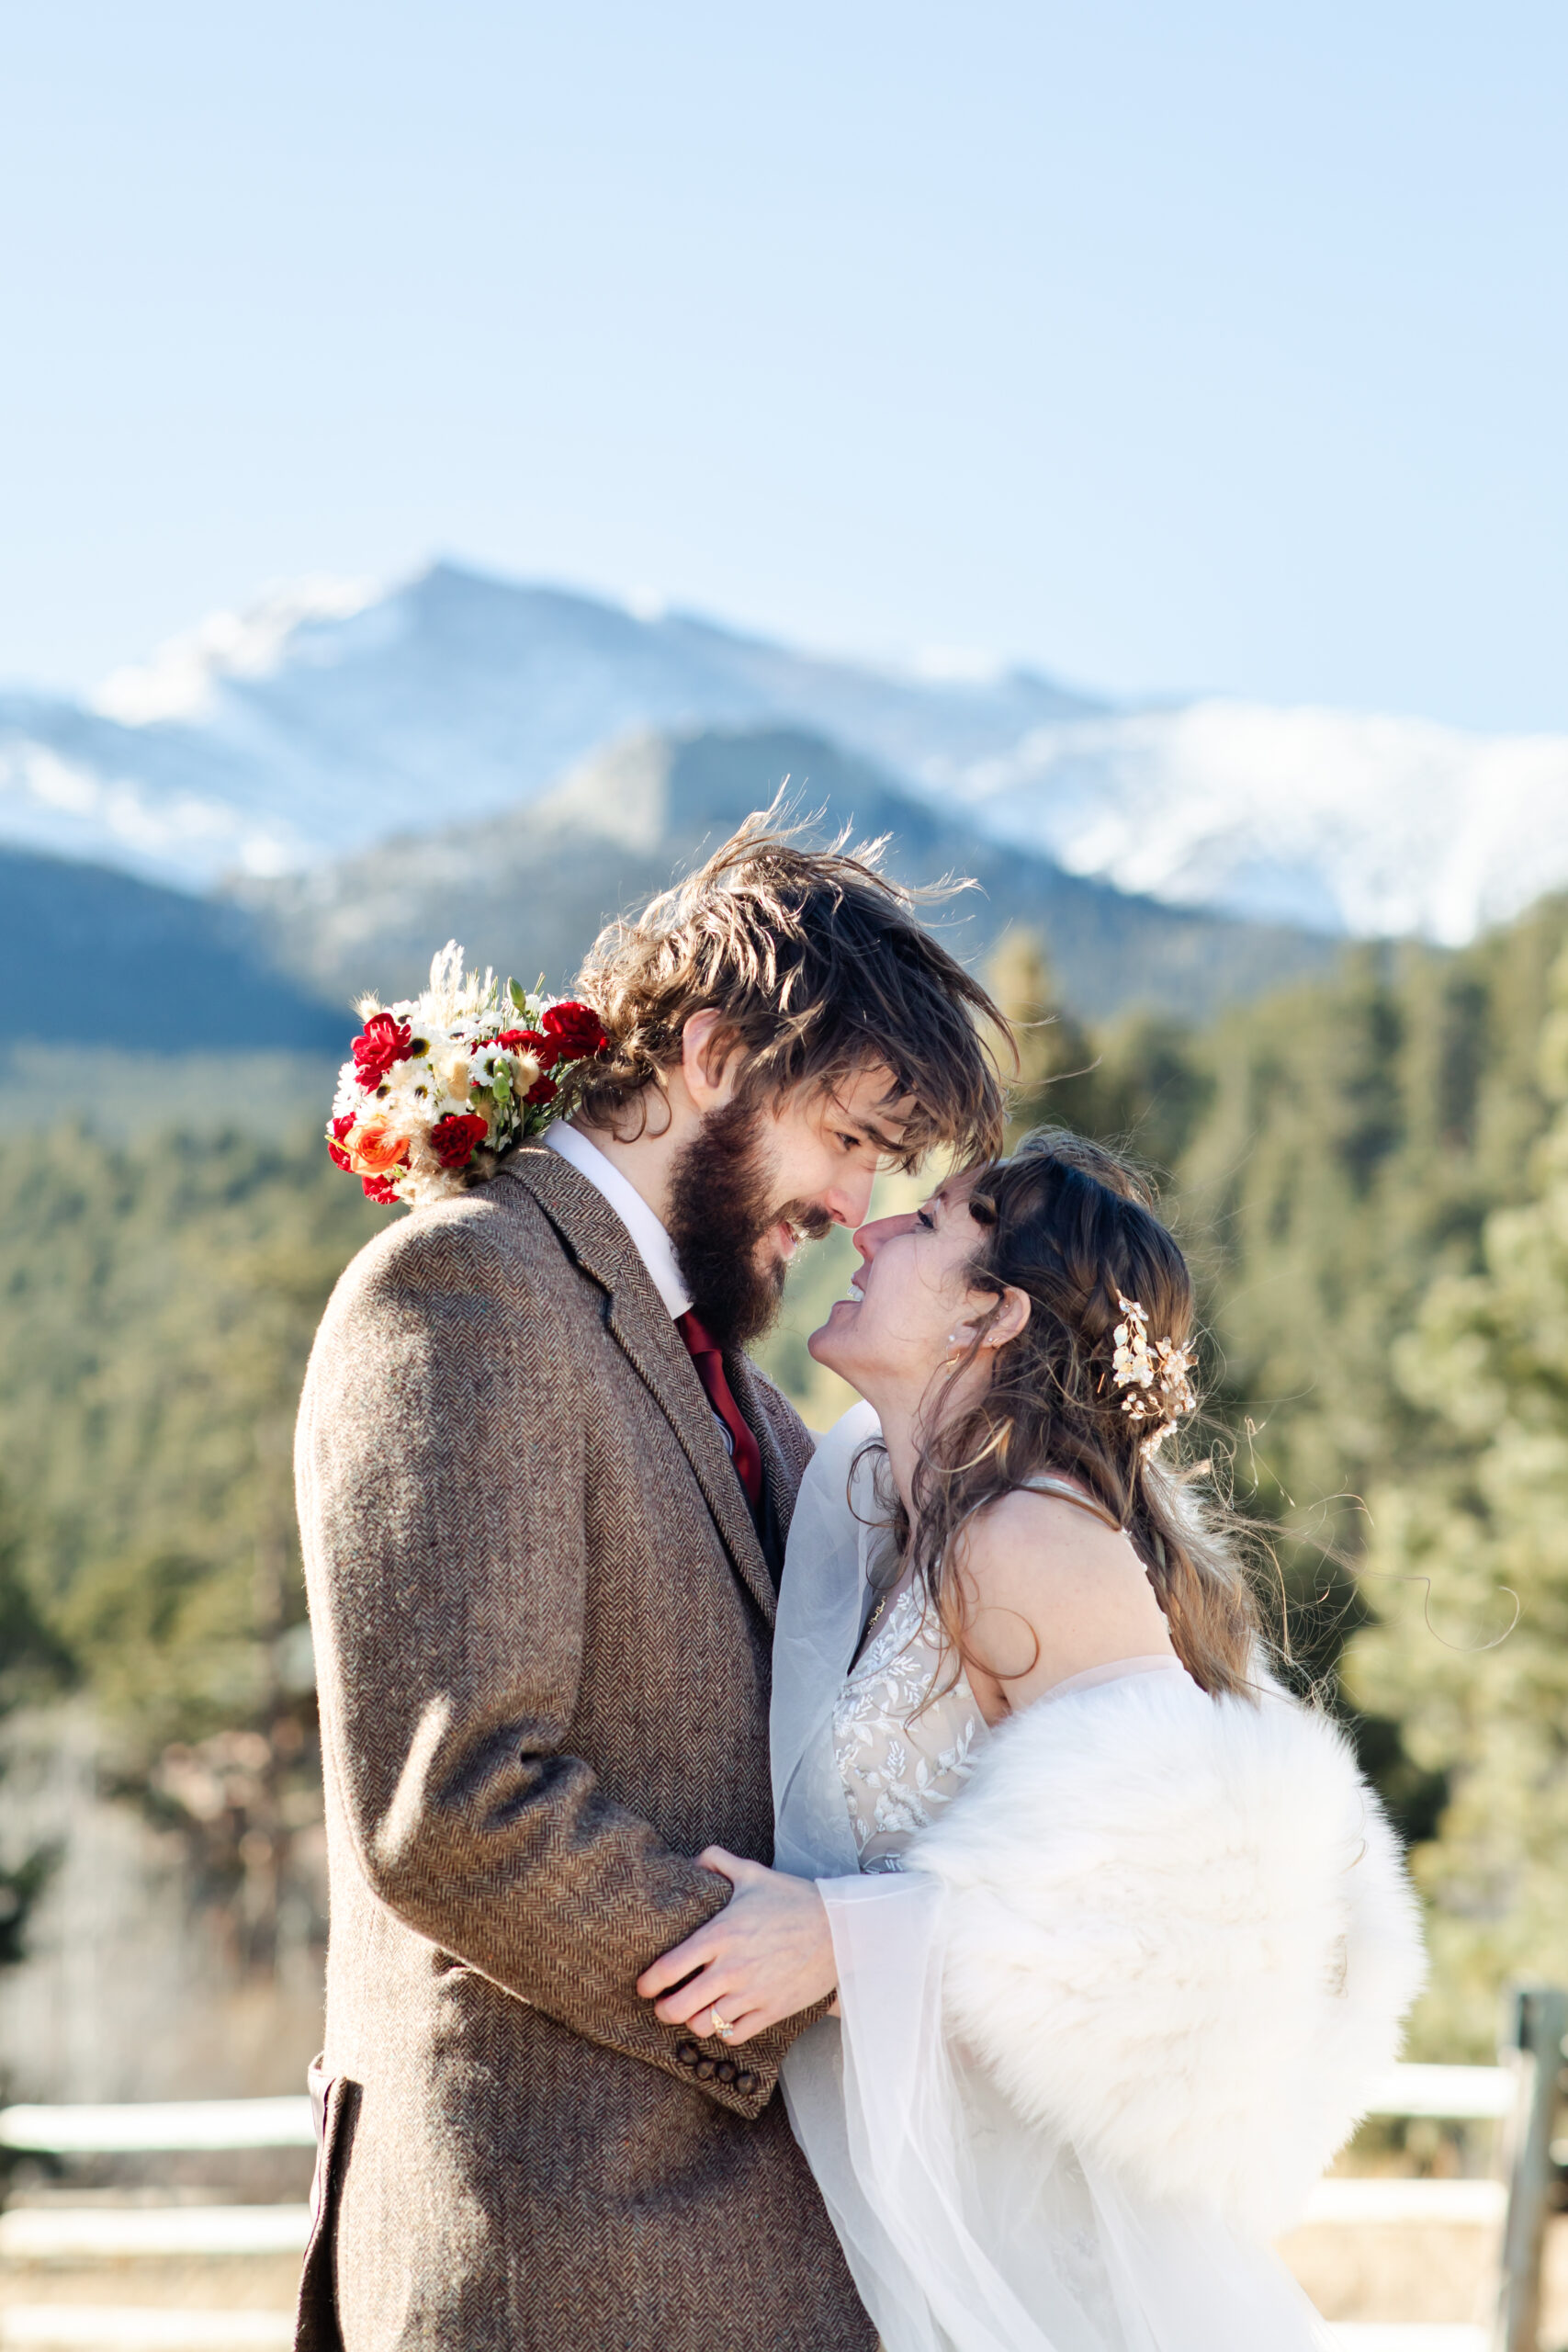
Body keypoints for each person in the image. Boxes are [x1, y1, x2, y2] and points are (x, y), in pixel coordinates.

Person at [292, 819, 1008, 2351]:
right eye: (853, 1138)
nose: (858, 1205)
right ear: (710, 1053)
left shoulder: (742, 1392)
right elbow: (458, 1802)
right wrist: (798, 1968)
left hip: (734, 2257)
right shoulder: (469, 1290)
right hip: (560, 2255)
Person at [639, 1131, 1426, 2352]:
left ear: (992, 1315)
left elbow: (1182, 1922)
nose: (873, 1228)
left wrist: (838, 1940)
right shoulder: (885, 1511)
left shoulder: (1030, 1537)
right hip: (901, 2198)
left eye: (930, 1221)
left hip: (1041, 2249)